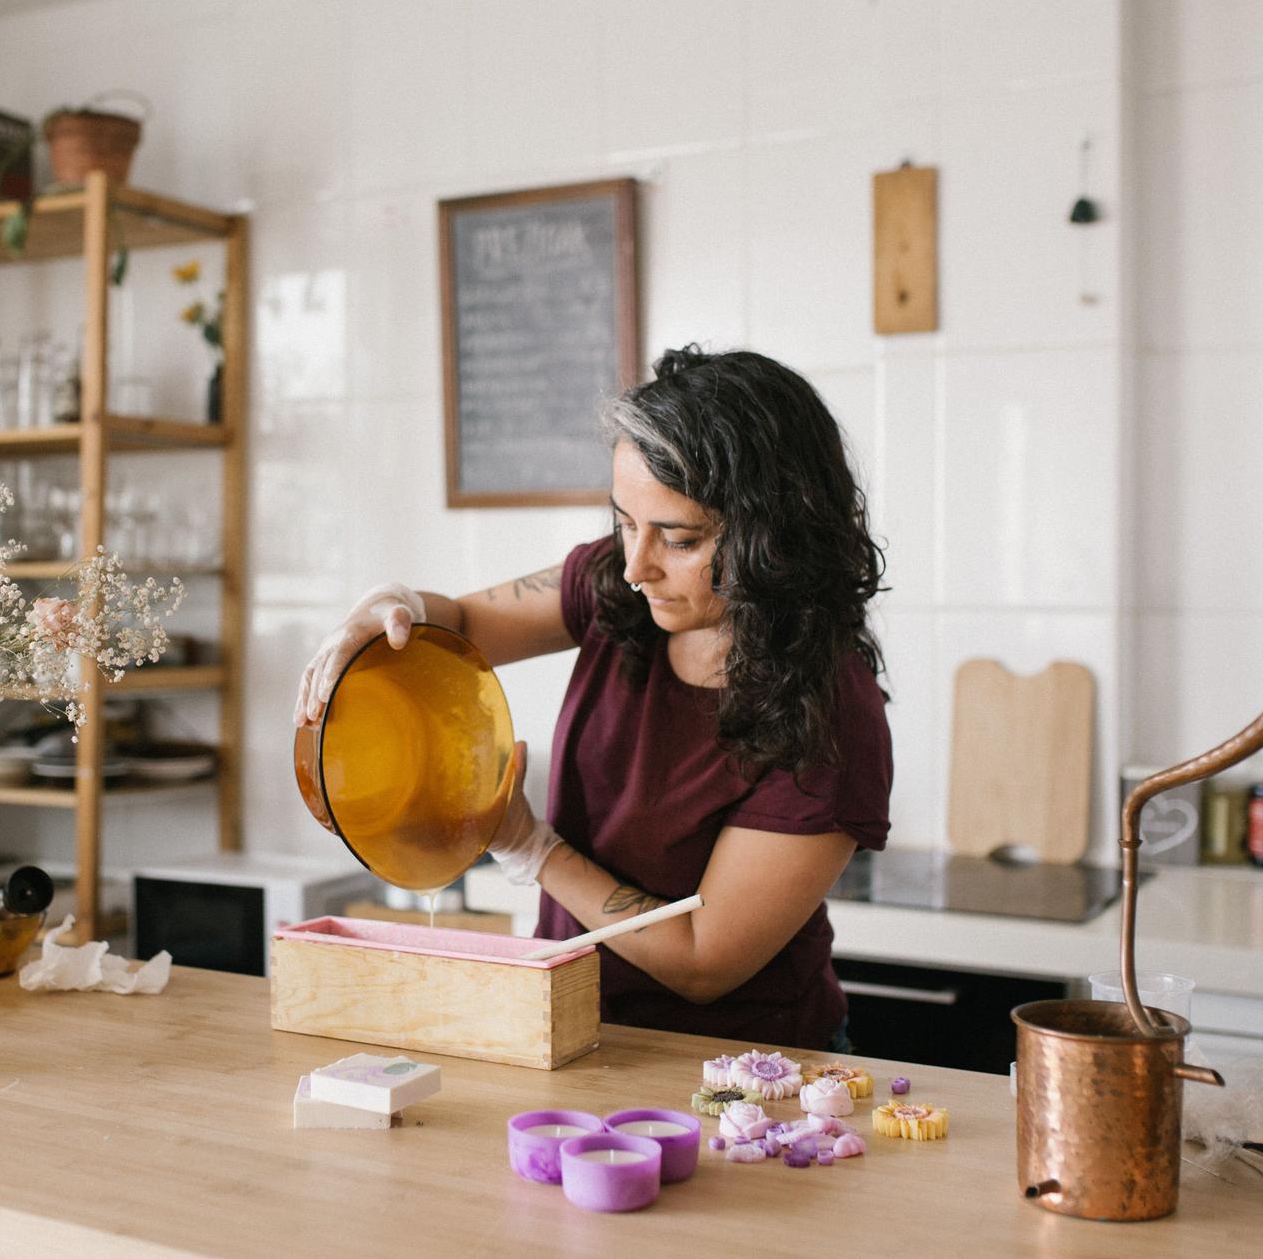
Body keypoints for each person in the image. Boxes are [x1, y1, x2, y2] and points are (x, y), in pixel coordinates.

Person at [294, 346, 891, 1050]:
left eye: (679, 537)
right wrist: (389, 610)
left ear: (774, 534)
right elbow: (460, 624)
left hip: (745, 1071)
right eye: (625, 522)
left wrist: (530, 847)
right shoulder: (619, 584)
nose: (638, 565)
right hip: (574, 1029)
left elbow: (704, 960)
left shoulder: (830, 715)